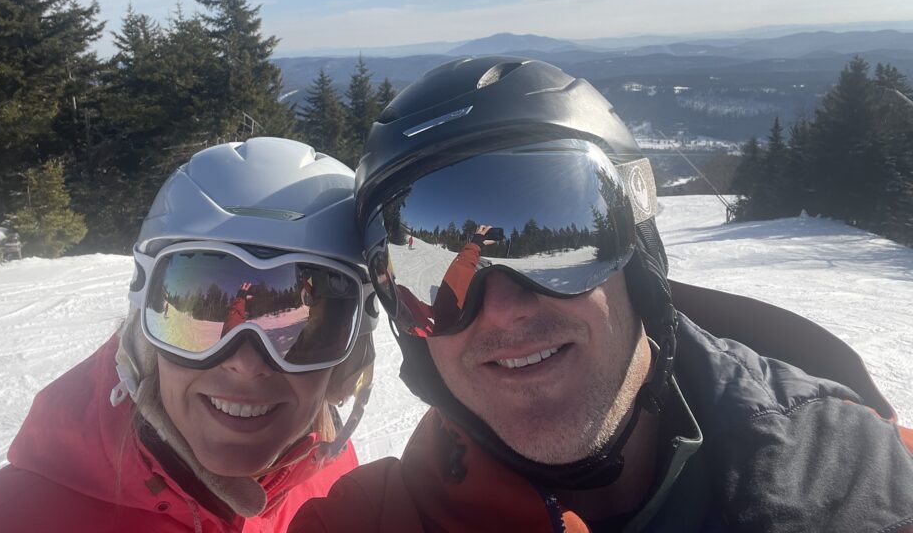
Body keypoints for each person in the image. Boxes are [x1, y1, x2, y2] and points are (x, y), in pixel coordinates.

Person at [291, 57, 913, 532]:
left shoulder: (859, 475)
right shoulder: (372, 519)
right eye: (416, 274)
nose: (505, 310)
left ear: (640, 257)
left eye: (564, 247)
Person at [0, 137, 378, 533]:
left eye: (301, 322)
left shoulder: (335, 480)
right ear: (144, 334)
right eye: (202, 309)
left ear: (348, 361)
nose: (247, 362)